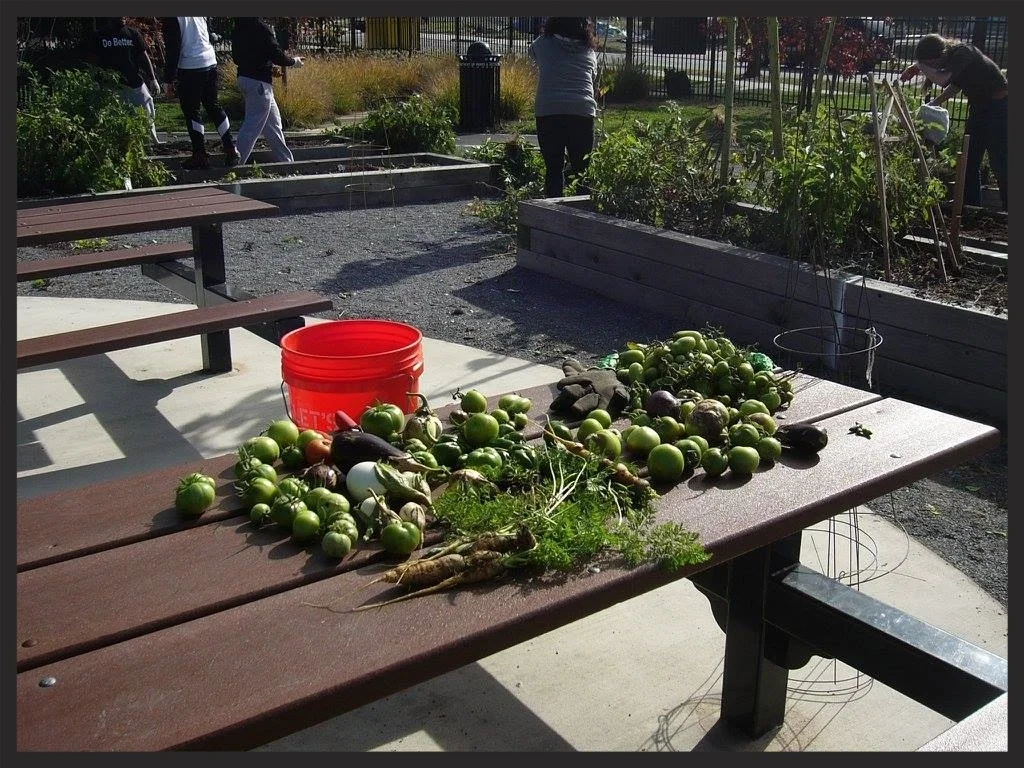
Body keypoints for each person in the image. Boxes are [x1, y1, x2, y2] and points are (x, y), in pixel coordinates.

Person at [900, 33, 1007, 211]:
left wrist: (919, 65)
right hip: (979, 109)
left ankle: (1008, 210)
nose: (932, 68)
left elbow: (944, 80)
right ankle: (971, 207)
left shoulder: (963, 53)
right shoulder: (954, 60)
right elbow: (955, 86)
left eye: (931, 63)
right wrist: (933, 104)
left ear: (940, 54)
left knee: (1000, 161)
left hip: (999, 109)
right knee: (969, 160)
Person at [528, 17, 599, 199]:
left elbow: (532, 52)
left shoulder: (542, 44)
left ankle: (553, 214)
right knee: (581, 170)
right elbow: (593, 77)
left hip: (549, 109)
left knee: (553, 167)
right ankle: (584, 215)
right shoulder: (588, 50)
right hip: (582, 110)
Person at [160, 17, 239, 169]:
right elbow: (207, 34)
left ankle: (199, 154)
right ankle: (230, 147)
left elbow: (173, 48)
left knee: (192, 111)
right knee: (214, 106)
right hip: (209, 61)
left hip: (190, 66)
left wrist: (169, 79)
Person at [231, 17, 304, 165]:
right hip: (260, 85)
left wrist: (268, 68)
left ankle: (287, 162)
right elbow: (276, 54)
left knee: (273, 125)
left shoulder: (239, 27)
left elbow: (242, 57)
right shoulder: (261, 28)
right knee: (252, 126)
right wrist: (294, 62)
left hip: (246, 79)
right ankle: (235, 163)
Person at [89, 17, 162, 145]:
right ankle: (116, 144)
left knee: (147, 111)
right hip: (111, 86)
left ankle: (151, 143)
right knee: (113, 117)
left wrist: (153, 79)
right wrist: (95, 80)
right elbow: (94, 61)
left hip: (134, 82)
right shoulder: (99, 36)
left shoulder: (133, 34)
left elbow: (144, 57)